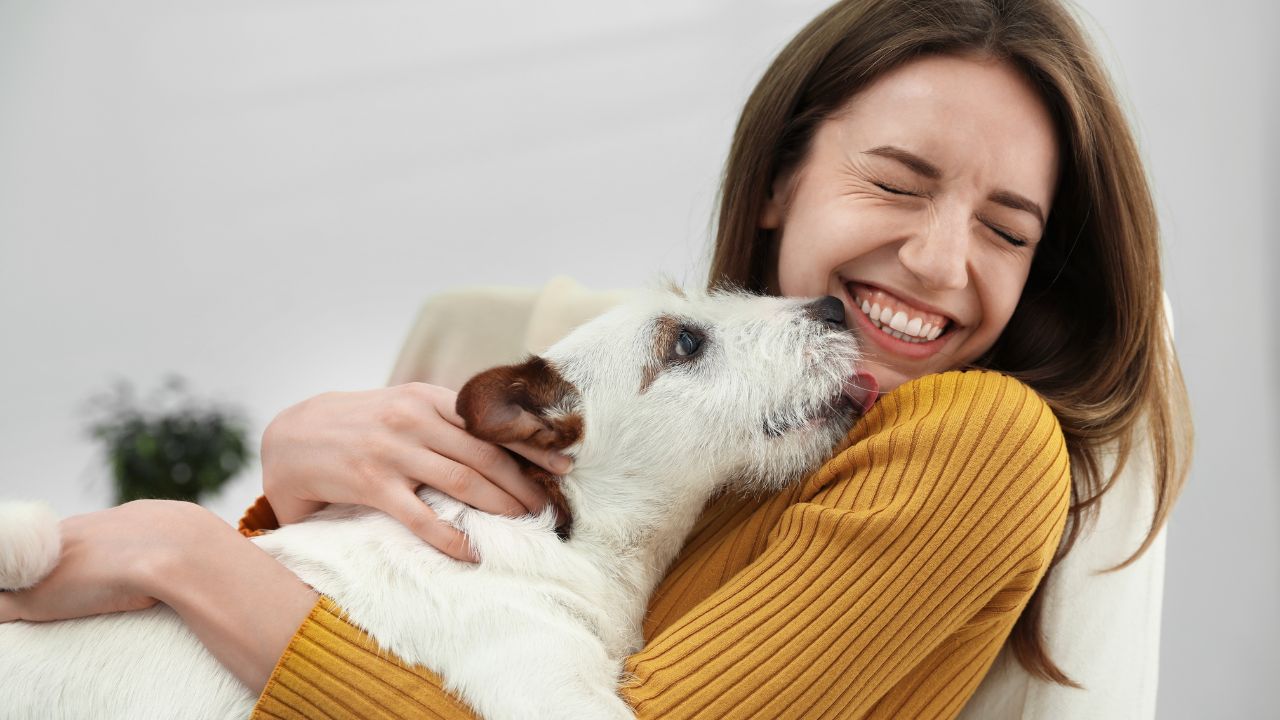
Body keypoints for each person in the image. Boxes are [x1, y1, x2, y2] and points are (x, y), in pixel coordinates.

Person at [0, 0, 1192, 717]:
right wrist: (287, 498)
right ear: (778, 177)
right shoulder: (693, 441)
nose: (939, 263)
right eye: (894, 181)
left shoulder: (971, 445)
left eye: (1005, 230)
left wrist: (191, 557)